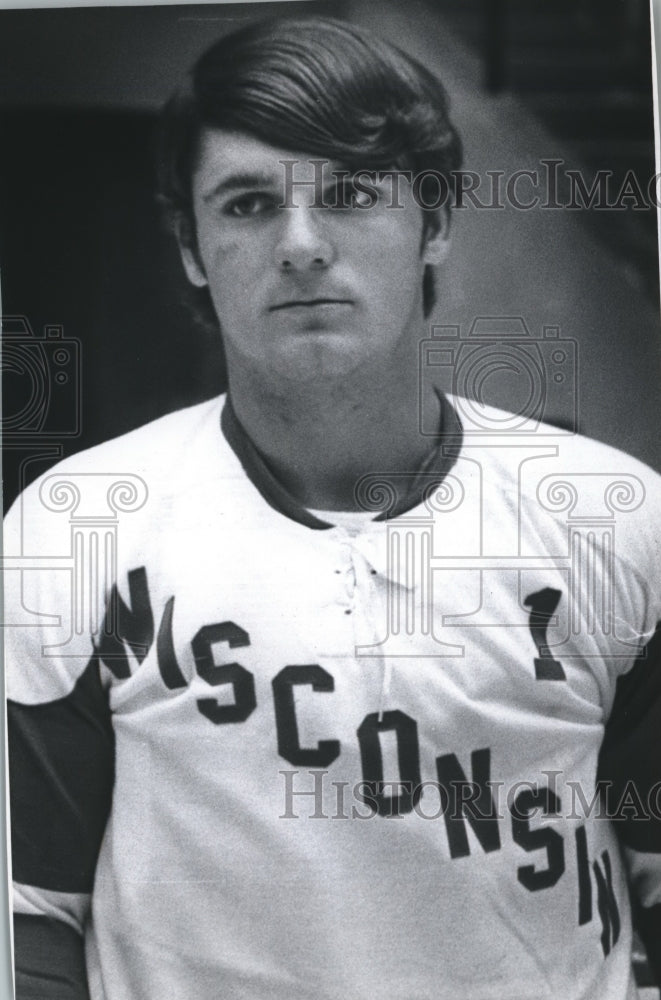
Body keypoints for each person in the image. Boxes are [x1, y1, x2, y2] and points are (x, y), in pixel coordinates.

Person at [5, 15, 661, 1000]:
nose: (302, 244)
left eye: (350, 194)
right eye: (248, 203)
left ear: (434, 221)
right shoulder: (78, 526)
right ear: (190, 245)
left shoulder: (610, 514)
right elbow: (30, 916)